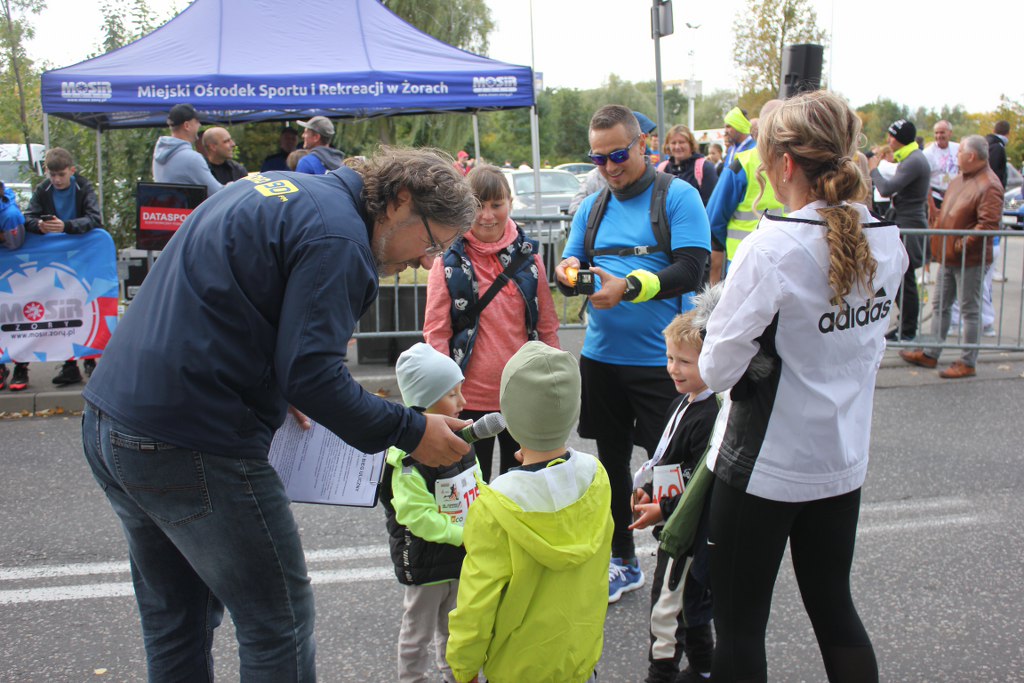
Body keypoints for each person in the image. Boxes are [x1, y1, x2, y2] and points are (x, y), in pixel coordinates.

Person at [81, 147, 478, 682]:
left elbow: (236, 301)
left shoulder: (279, 188)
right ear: (399, 200)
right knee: (277, 622)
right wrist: (411, 430)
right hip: (194, 440)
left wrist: (278, 370)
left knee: (177, 618)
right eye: (432, 242)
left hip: (115, 419)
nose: (429, 261)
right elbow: (312, 375)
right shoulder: (340, 239)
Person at [699, 90, 908, 683]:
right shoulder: (888, 239)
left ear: (784, 165)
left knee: (739, 627)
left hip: (765, 464)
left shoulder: (772, 247)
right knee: (834, 609)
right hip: (841, 460)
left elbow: (715, 369)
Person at [556, 105, 710, 602]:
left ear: (644, 143)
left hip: (665, 363)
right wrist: (569, 270)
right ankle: (624, 559)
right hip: (603, 357)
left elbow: (691, 269)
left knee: (671, 465)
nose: (608, 167)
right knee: (612, 462)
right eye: (597, 158)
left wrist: (630, 286)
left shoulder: (678, 196)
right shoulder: (593, 204)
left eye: (618, 155)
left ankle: (677, 555)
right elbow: (571, 256)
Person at [445, 342, 614, 683]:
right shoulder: (595, 477)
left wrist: (464, 667)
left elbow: (477, 601)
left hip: (516, 670)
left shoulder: (495, 506)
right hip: (578, 661)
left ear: (510, 416)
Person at [423, 165, 561, 481]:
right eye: (477, 205)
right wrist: (443, 393)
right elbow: (436, 332)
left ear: (510, 203)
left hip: (522, 394)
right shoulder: (447, 260)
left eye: (496, 205)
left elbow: (547, 325)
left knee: (521, 489)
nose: (486, 215)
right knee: (471, 491)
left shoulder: (529, 258)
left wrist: (554, 381)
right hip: (466, 400)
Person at [381, 343, 484, 683]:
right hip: (425, 563)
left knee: (456, 625)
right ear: (424, 404)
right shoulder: (408, 462)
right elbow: (417, 517)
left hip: (460, 556)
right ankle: (412, 678)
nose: (463, 402)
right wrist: (465, 534)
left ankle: (454, 672)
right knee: (417, 633)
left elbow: (478, 486)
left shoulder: (461, 441)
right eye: (453, 394)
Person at [629, 311, 719, 683]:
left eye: (684, 361)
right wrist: (648, 487)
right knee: (687, 605)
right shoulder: (685, 399)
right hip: (673, 520)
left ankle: (661, 674)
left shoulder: (711, 413)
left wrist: (661, 508)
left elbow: (697, 482)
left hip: (686, 532)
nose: (673, 369)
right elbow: (667, 459)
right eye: (669, 358)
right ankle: (703, 667)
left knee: (666, 610)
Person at [898, 135, 1003, 379]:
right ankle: (931, 352)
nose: (956, 157)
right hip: (949, 255)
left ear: (971, 156)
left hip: (969, 259)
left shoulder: (990, 185)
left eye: (959, 154)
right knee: (941, 306)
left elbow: (987, 225)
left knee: (969, 310)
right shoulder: (961, 180)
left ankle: (968, 360)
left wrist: (959, 245)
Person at [22, 147, 105, 388]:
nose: (57, 180)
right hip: (55, 262)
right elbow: (27, 217)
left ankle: (89, 359)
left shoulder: (83, 187)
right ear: (46, 172)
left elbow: (94, 219)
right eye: (52, 175)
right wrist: (39, 225)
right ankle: (70, 365)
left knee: (84, 307)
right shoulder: (42, 189)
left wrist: (66, 226)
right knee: (62, 311)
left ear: (72, 171)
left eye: (61, 175)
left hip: (83, 258)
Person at [706, 100, 784, 283]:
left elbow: (714, 216)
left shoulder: (743, 162)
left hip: (745, 261)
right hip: (779, 259)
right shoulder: (805, 162)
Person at [869, 119, 929, 341]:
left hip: (910, 224)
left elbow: (886, 189)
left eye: (890, 136)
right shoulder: (911, 158)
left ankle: (908, 329)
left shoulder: (914, 161)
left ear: (897, 138)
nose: (887, 140)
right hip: (905, 221)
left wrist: (873, 170)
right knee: (904, 278)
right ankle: (906, 326)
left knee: (906, 279)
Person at [569, 110, 658, 215]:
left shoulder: (672, 196)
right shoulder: (590, 194)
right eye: (599, 158)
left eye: (619, 155)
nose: (610, 168)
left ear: (640, 144)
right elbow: (575, 207)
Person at [152, 103, 223, 196]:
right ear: (187, 126)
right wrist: (234, 187)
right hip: (190, 210)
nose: (199, 125)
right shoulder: (192, 158)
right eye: (197, 121)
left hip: (169, 209)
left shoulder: (158, 154)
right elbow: (217, 193)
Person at [0, 180, 25, 391]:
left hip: (14, 274)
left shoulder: (10, 215)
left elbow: (15, 243)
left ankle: (20, 366)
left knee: (16, 320)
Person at [657, 124, 719, 206]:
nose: (677, 147)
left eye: (682, 142)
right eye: (673, 143)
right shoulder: (662, 169)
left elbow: (712, 205)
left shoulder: (705, 168)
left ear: (691, 144)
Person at [986, 120, 1009, 188]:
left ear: (994, 130)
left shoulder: (987, 143)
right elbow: (995, 170)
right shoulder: (998, 147)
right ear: (1008, 133)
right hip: (994, 187)